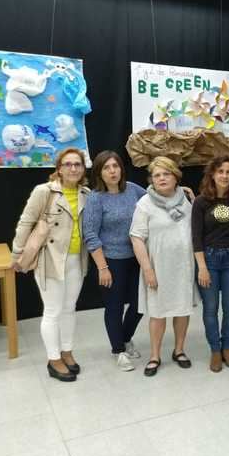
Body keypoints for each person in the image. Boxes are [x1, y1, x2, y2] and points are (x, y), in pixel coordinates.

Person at [12, 147, 90, 382]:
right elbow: (26, 222)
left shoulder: (87, 193)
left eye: (77, 164)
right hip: (50, 259)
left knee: (69, 308)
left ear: (83, 168)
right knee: (53, 310)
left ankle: (66, 351)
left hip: (78, 259)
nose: (73, 168)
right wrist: (17, 254)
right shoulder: (44, 191)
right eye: (68, 164)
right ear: (59, 169)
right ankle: (53, 358)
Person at [130, 156, 195, 377]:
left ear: (175, 176)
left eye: (166, 173)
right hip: (157, 269)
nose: (161, 178)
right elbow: (136, 238)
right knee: (157, 313)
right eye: (157, 175)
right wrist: (147, 269)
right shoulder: (144, 204)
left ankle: (179, 350)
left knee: (182, 309)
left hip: (183, 267)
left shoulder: (186, 198)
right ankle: (155, 355)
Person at [83, 151, 146, 372]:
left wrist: (180, 191)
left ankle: (125, 338)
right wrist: (103, 267)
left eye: (115, 166)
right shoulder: (96, 198)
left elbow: (154, 200)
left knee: (140, 305)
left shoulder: (133, 189)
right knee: (114, 306)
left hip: (137, 258)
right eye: (107, 167)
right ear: (100, 172)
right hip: (111, 260)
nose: (112, 171)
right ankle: (118, 350)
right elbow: (90, 234)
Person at [193, 155, 229, 373]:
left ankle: (227, 347)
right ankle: (215, 349)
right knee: (211, 308)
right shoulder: (201, 201)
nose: (224, 175)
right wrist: (202, 267)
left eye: (228, 172)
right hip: (209, 260)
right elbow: (196, 237)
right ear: (212, 174)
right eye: (220, 171)